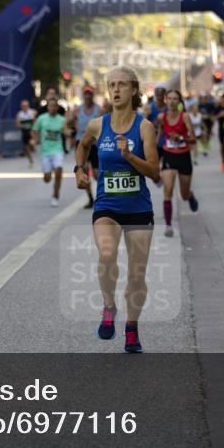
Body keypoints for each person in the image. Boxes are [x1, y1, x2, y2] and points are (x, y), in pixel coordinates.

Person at [75, 67, 159, 353]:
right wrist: (79, 170)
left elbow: (154, 171)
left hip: (138, 208)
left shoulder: (144, 127)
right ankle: (109, 306)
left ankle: (132, 329)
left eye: (122, 84)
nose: (116, 89)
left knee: (137, 274)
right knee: (107, 253)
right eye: (112, 85)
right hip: (107, 205)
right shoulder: (98, 125)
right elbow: (83, 146)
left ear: (134, 90)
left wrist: (128, 156)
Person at [158, 89, 199, 237]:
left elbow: (194, 139)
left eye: (175, 99)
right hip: (169, 156)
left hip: (183, 157)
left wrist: (181, 138)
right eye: (169, 98)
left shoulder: (185, 117)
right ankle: (168, 225)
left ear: (179, 101)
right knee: (167, 190)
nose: (172, 101)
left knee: (184, 194)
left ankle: (191, 195)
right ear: (165, 100)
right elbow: (160, 135)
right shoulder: (161, 117)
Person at [67, 85, 102, 209]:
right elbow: (69, 123)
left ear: (92, 95)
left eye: (90, 94)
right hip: (81, 143)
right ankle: (91, 199)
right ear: (83, 95)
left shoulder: (99, 110)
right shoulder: (77, 109)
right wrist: (71, 119)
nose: (88, 96)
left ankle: (102, 196)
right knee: (84, 170)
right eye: (86, 94)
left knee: (97, 173)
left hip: (95, 144)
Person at [32, 96, 67, 207]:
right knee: (47, 179)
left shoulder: (62, 120)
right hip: (45, 151)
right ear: (47, 107)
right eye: (50, 106)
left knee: (59, 171)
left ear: (57, 107)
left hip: (57, 150)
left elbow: (66, 131)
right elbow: (34, 130)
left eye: (55, 106)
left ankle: (55, 196)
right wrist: (35, 140)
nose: (52, 108)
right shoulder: (42, 118)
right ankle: (48, 172)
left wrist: (70, 132)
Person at [15, 99, 36, 168]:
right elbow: (17, 124)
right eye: (23, 106)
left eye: (26, 106)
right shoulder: (20, 114)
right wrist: (23, 125)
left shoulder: (32, 112)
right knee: (26, 148)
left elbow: (35, 121)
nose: (25, 107)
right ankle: (30, 160)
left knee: (32, 143)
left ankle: (33, 146)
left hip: (31, 132)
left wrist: (32, 124)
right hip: (25, 133)